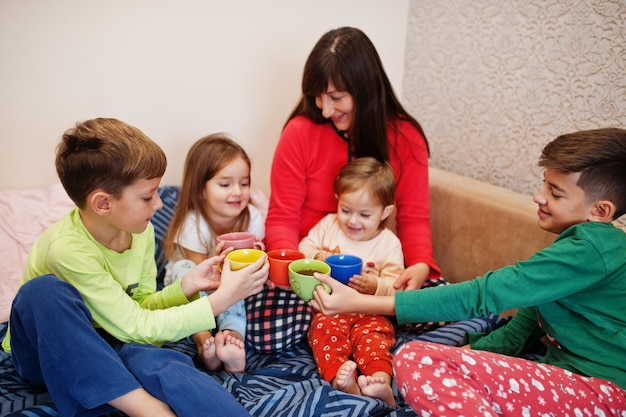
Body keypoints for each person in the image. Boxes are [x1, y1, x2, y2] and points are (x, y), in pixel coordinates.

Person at [309, 128, 626, 415]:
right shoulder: (575, 254)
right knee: (426, 360)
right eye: (544, 183)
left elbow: (482, 294)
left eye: (555, 192)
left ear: (600, 211)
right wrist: (456, 360)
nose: (538, 196)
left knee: (411, 358)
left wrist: (360, 302)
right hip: (564, 378)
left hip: (604, 392)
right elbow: (519, 331)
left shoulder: (590, 251)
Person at [2, 118, 269, 417]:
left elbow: (139, 310)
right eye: (147, 196)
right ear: (103, 204)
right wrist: (222, 300)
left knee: (158, 361)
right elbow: (134, 326)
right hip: (47, 353)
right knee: (42, 291)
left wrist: (184, 287)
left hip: (113, 336)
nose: (158, 204)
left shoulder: (139, 231)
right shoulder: (66, 249)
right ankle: (146, 409)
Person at [265, 26, 440, 291]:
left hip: (373, 275)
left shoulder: (406, 137)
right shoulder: (299, 132)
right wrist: (293, 269)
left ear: (366, 91)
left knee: (446, 306)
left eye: (336, 98)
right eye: (317, 97)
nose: (325, 110)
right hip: (307, 268)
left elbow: (413, 218)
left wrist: (419, 265)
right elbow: (282, 217)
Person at [299, 157, 404, 406]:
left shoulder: (389, 243)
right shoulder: (328, 225)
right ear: (338, 201)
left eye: (365, 214)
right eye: (345, 210)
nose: (352, 220)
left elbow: (397, 285)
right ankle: (341, 380)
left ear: (385, 212)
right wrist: (318, 256)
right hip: (331, 310)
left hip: (370, 311)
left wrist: (376, 286)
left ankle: (381, 383)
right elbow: (303, 247)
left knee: (374, 340)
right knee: (322, 333)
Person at [162, 133, 264, 374]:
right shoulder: (192, 224)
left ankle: (233, 337)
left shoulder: (254, 218)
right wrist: (220, 263)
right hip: (191, 280)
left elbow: (250, 267)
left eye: (244, 183)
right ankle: (202, 338)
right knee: (183, 269)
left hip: (225, 284)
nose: (237, 192)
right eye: (225, 184)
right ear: (201, 189)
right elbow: (200, 276)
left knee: (235, 282)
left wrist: (258, 258)